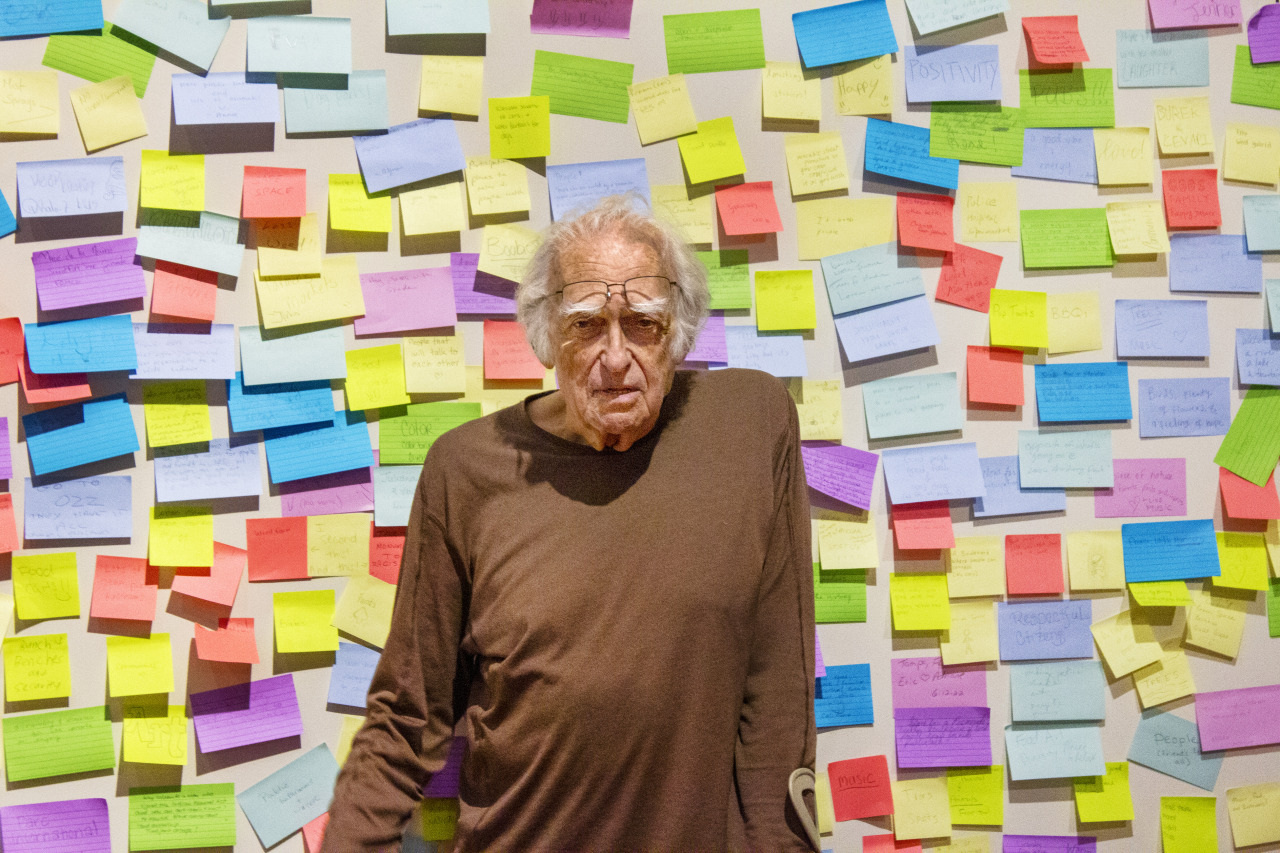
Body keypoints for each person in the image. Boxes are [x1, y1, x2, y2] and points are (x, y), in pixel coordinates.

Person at [323, 195, 817, 852]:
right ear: (547, 334)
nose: (616, 357)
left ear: (680, 329)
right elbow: (406, 719)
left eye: (643, 322)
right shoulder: (465, 470)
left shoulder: (752, 427)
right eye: (587, 325)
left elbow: (777, 699)